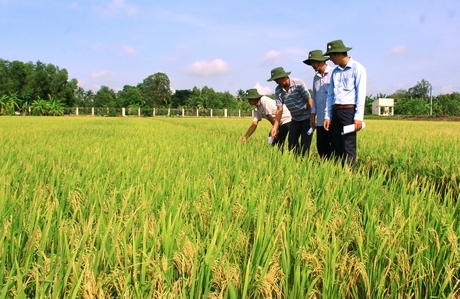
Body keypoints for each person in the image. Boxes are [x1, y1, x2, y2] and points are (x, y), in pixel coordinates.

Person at [323, 40, 367, 167]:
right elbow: (330, 95)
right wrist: (327, 116)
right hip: (335, 111)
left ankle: (350, 174)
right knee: (336, 144)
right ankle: (339, 172)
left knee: (348, 144)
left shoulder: (358, 69)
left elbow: (360, 94)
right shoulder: (335, 72)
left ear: (338, 54)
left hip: (349, 111)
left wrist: (358, 117)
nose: (330, 59)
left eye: (330, 56)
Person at [268, 67, 313, 157]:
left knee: (305, 144)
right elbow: (279, 109)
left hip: (306, 118)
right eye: (275, 80)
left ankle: (304, 162)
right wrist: (275, 127)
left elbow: (309, 100)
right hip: (295, 119)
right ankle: (296, 162)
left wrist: (312, 118)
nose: (276, 82)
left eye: (277, 79)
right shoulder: (278, 90)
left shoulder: (298, 83)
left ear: (284, 76)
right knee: (292, 143)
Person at [303, 49, 333, 159]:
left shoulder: (333, 74)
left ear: (320, 61)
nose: (312, 65)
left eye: (313, 62)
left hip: (331, 119)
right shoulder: (315, 78)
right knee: (321, 147)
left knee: (332, 147)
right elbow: (314, 99)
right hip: (320, 120)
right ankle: (325, 168)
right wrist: (312, 117)